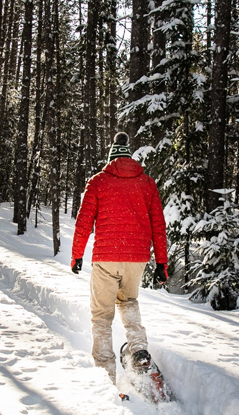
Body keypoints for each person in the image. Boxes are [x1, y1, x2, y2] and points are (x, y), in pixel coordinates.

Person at [70, 132, 168, 385]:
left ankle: (105, 373)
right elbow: (158, 224)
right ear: (129, 158)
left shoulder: (98, 182)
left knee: (102, 315)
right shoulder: (146, 183)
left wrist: (77, 255)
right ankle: (138, 348)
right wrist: (161, 263)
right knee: (129, 301)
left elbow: (83, 222)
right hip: (136, 258)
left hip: (107, 257)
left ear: (111, 159)